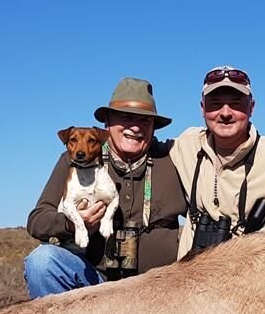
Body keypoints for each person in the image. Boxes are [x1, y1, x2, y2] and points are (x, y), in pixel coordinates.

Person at [24, 78, 186, 298]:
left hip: (160, 287)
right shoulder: (74, 161)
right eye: (126, 118)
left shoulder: (172, 158)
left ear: (153, 127)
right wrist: (72, 224)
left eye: (145, 121)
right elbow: (37, 221)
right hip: (97, 284)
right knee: (42, 262)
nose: (136, 127)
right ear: (107, 123)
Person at [171, 66, 265, 257]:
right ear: (202, 108)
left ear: (252, 107)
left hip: (249, 277)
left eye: (236, 104)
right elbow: (140, 146)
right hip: (189, 278)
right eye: (215, 104)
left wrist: (254, 242)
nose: (225, 113)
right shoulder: (185, 145)